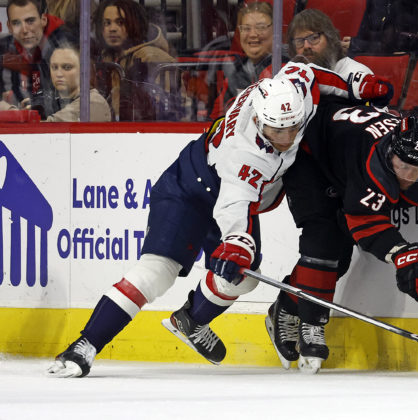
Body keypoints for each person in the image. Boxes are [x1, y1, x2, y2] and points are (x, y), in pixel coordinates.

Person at [46, 59, 393, 378]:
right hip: (190, 188)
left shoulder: (293, 89)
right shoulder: (245, 153)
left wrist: (356, 85)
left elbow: (313, 73)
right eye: (277, 131)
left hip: (227, 190)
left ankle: (190, 320)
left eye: (293, 128)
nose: (286, 139)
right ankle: (84, 347)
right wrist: (237, 243)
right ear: (258, 120)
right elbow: (234, 204)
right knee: (158, 273)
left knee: (244, 279)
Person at [265, 99, 418, 373]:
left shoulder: (408, 156)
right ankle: (312, 324)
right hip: (310, 154)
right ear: (389, 152)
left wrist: (401, 252)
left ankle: (285, 305)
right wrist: (402, 253)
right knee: (322, 236)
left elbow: (363, 220)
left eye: (416, 171)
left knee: (340, 260)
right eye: (402, 167)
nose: (408, 177)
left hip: (341, 160)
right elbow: (365, 223)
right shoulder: (372, 157)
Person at [92, 0, 176, 121]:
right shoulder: (107, 56)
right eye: (107, 23)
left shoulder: (149, 57)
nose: (112, 29)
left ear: (134, 23)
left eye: (120, 22)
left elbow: (162, 106)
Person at [209, 1, 286, 119]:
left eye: (261, 27)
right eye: (246, 28)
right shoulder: (236, 72)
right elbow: (216, 120)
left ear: (275, 31)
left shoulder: (286, 70)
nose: (253, 34)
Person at [0, 0, 70, 116]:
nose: (25, 30)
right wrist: (8, 109)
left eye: (30, 21)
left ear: (43, 20)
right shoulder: (3, 52)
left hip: (54, 128)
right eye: (16, 23)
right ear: (9, 26)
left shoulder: (65, 49)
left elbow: (79, 99)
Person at [288, 9, 373, 78]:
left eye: (314, 38)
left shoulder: (357, 75)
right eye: (299, 41)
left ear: (330, 38)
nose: (306, 46)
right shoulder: (290, 79)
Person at [43, 41, 111, 122]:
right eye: (54, 67)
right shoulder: (53, 100)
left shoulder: (93, 102)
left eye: (67, 67)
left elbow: (50, 126)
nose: (58, 74)